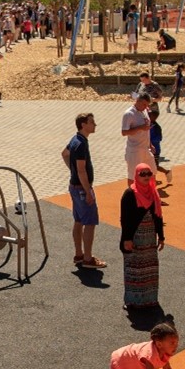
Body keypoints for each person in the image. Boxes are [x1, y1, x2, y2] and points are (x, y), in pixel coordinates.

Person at [117, 161, 166, 310]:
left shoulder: (153, 192)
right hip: (135, 237)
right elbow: (125, 219)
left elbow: (158, 217)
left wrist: (161, 237)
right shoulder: (130, 194)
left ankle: (150, 300)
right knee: (134, 269)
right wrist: (126, 239)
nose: (146, 176)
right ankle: (133, 302)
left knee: (149, 268)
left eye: (148, 173)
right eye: (142, 174)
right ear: (136, 176)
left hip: (149, 238)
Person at [61, 112, 105, 270]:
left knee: (78, 220)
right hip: (81, 188)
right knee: (90, 223)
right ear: (83, 125)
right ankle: (87, 258)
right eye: (92, 122)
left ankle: (79, 254)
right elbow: (81, 170)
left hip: (74, 187)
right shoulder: (81, 144)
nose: (95, 125)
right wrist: (88, 191)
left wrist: (71, 170)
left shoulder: (75, 140)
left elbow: (64, 154)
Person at [120, 90, 155, 184]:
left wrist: (150, 144)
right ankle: (131, 196)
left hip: (146, 149)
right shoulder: (129, 114)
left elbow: (146, 129)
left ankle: (150, 195)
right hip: (134, 151)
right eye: (144, 104)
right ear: (138, 101)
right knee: (133, 176)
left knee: (152, 173)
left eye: (147, 105)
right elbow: (124, 132)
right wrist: (140, 128)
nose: (146, 107)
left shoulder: (144, 111)